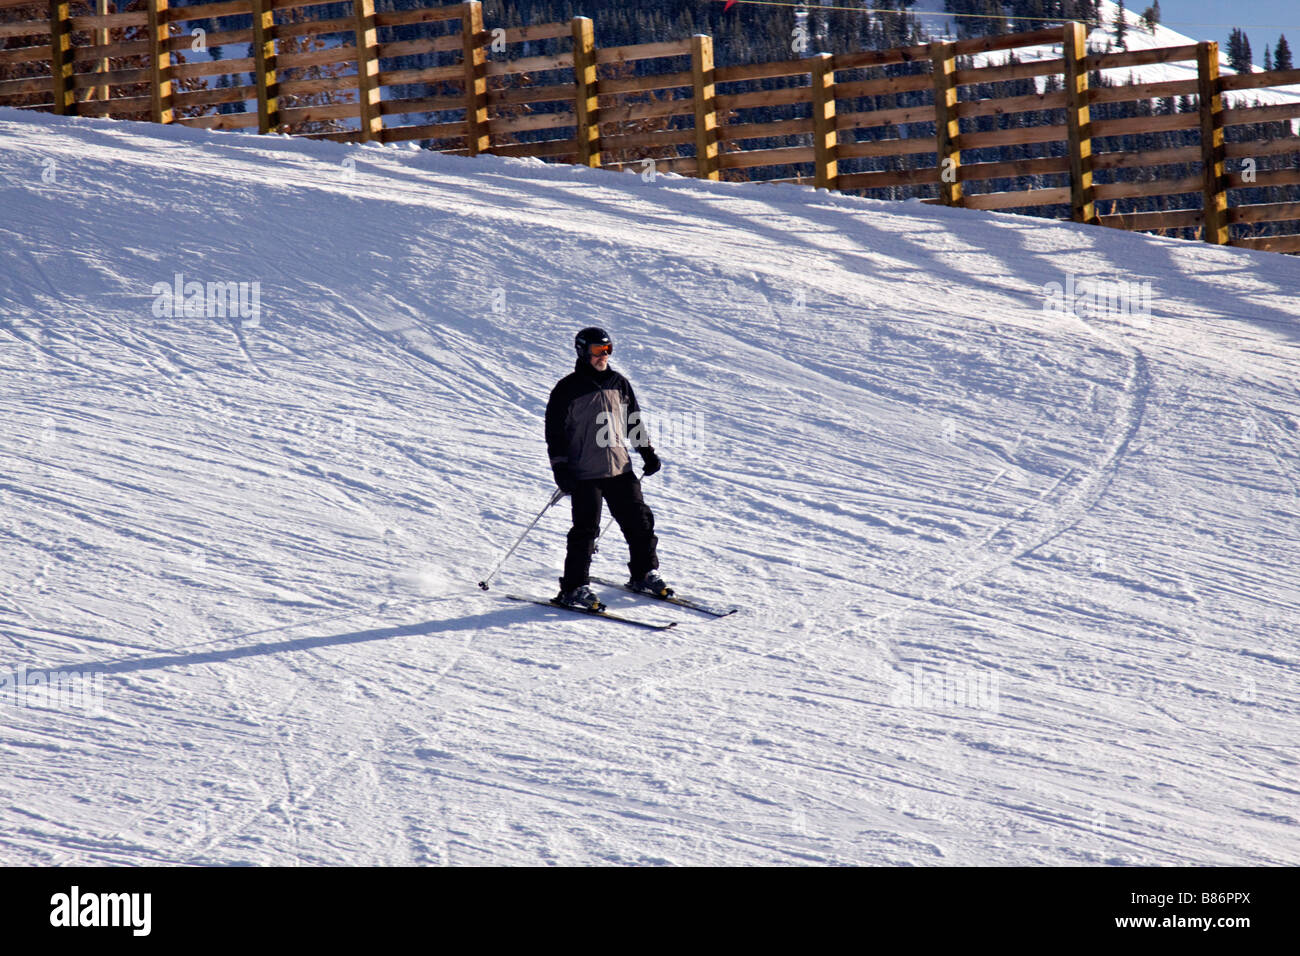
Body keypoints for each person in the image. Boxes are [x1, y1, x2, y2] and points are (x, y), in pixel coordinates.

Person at [545, 326, 668, 609]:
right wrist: (560, 469)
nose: (604, 356)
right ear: (582, 351)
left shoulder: (618, 382)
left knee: (640, 523)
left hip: (620, 468)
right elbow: (555, 433)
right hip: (585, 473)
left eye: (608, 350)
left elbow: (632, 421)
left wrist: (647, 453)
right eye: (598, 351)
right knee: (586, 531)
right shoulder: (567, 389)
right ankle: (574, 587)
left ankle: (643, 573)